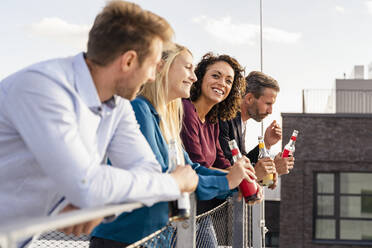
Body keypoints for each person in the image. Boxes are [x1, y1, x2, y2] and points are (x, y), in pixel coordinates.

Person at [0, 1, 198, 245]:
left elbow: (146, 170)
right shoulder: (43, 89)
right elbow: (87, 183)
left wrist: (98, 204)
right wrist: (173, 183)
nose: (151, 76)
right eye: (152, 66)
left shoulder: (119, 105)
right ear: (128, 61)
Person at [90, 44, 255, 247]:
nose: (194, 77)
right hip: (124, 239)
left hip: (155, 240)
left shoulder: (167, 118)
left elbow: (191, 169)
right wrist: (227, 182)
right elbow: (165, 178)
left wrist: (239, 182)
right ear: (162, 67)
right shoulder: (139, 110)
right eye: (187, 68)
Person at [180, 53, 262, 247]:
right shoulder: (186, 110)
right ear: (199, 78)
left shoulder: (212, 120)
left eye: (228, 80)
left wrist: (244, 177)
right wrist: (236, 178)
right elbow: (198, 165)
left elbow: (219, 161)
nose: (222, 83)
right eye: (215, 76)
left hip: (200, 212)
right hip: (182, 213)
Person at [219, 71, 295, 182]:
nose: (270, 111)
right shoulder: (225, 118)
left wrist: (266, 143)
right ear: (249, 99)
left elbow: (243, 161)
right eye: (268, 104)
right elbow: (232, 170)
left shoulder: (240, 121)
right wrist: (273, 169)